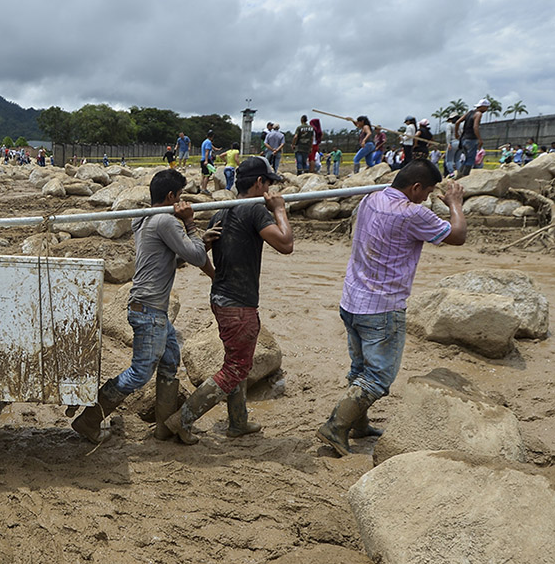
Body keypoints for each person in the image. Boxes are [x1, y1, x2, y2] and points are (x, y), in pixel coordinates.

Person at [316, 160, 466, 456]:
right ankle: (335, 427)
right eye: (428, 192)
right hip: (382, 308)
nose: (427, 198)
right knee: (378, 377)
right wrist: (455, 204)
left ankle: (358, 425)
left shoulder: (371, 198)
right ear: (416, 188)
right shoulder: (412, 213)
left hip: (352, 300)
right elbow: (458, 235)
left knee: (359, 368)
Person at [69, 169, 209, 444]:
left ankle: (163, 428)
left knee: (170, 361)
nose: (181, 202)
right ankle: (89, 420)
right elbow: (195, 256)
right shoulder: (166, 221)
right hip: (149, 309)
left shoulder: (145, 219)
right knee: (140, 373)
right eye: (179, 196)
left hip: (150, 307)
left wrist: (203, 244)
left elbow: (173, 259)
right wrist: (191, 225)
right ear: (171, 196)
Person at [159, 156, 292, 443]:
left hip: (221, 297)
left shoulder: (221, 212)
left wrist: (216, 276)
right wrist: (279, 210)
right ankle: (180, 420)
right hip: (238, 304)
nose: (269, 189)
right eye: (268, 183)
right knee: (235, 369)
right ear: (259, 183)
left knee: (237, 362)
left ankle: (238, 421)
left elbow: (202, 255)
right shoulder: (255, 212)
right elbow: (286, 244)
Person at [454, 99, 489, 178]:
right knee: (470, 159)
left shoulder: (469, 113)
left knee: (465, 159)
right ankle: (465, 176)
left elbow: (457, 122)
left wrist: (456, 133)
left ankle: (459, 175)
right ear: (482, 107)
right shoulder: (478, 114)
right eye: (486, 108)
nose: (487, 110)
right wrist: (479, 139)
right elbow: (475, 127)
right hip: (471, 139)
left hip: (463, 139)